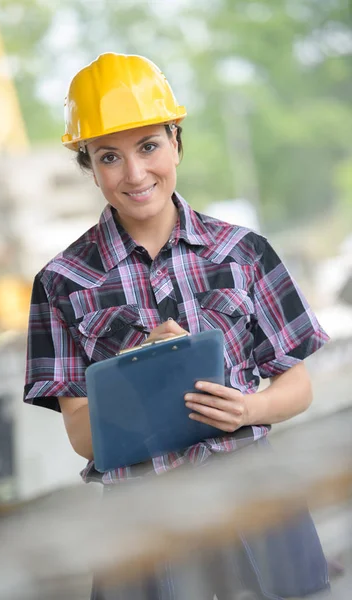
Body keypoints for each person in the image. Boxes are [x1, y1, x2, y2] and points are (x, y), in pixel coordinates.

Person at [24, 52, 331, 599]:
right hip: (141, 520)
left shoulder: (244, 253)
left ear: (176, 141)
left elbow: (297, 384)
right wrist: (142, 368)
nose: (135, 174)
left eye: (149, 146)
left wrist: (251, 408)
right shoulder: (61, 283)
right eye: (109, 156)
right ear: (89, 167)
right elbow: (81, 433)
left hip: (254, 495)